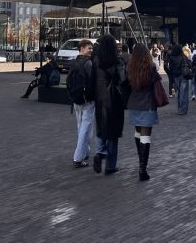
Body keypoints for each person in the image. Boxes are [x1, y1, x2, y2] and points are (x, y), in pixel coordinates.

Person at [92, 34, 127, 175]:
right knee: (113, 132)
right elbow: (123, 79)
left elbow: (92, 79)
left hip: (99, 98)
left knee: (101, 127)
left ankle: (100, 152)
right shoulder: (117, 60)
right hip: (114, 98)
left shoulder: (95, 60)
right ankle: (110, 166)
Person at [126, 44, 161, 181]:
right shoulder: (151, 67)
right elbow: (156, 81)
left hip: (134, 103)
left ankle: (141, 162)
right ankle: (142, 169)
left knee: (138, 132)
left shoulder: (130, 67)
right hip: (147, 103)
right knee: (146, 135)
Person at [68, 40, 94, 168]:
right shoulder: (88, 63)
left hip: (76, 99)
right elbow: (92, 81)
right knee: (86, 127)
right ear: (82, 48)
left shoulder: (73, 62)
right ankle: (79, 157)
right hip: (87, 100)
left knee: (81, 127)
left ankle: (83, 153)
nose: (91, 50)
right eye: (89, 48)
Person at [167, 45, 191, 115]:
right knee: (184, 93)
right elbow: (189, 64)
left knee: (179, 93)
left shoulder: (172, 58)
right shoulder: (183, 57)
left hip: (176, 77)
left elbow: (170, 68)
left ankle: (179, 108)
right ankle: (183, 109)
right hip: (183, 76)